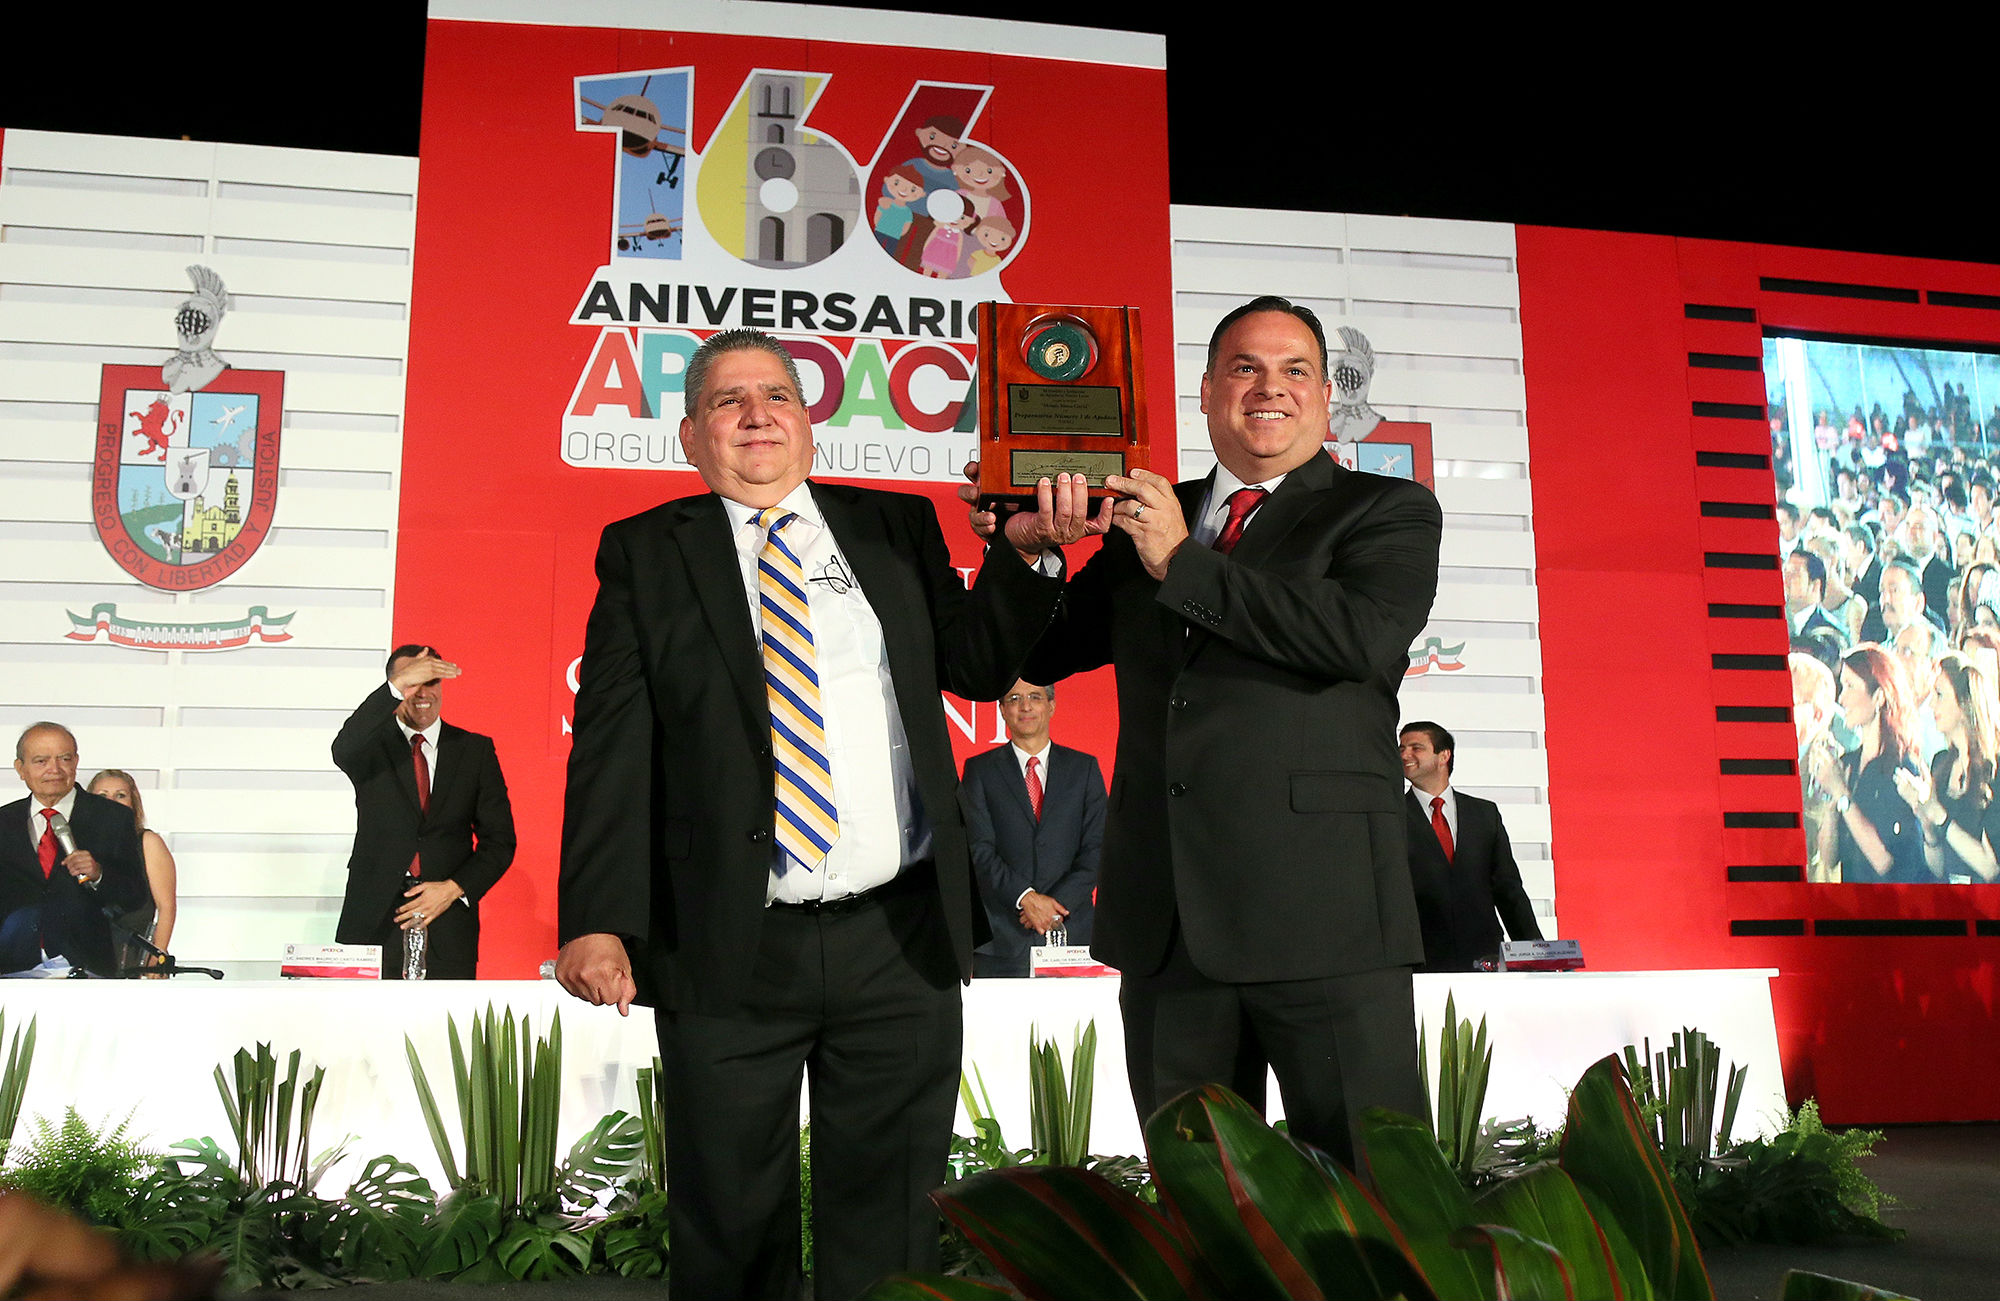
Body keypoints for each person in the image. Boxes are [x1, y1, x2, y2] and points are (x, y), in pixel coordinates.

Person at [554, 328, 1065, 1301]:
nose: (755, 413)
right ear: (691, 435)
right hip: (727, 938)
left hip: (897, 933)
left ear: (808, 423)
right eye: (727, 399)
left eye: (776, 394)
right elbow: (613, 748)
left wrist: (1023, 555)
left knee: (890, 1219)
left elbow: (973, 667)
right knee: (729, 1220)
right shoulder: (646, 552)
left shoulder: (892, 527)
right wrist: (594, 914)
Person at [967, 294, 1443, 1169]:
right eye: (1245, 368)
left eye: (1295, 369)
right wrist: (1030, 549)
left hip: (1325, 920)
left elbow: (1353, 637)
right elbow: (1025, 654)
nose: (1270, 388)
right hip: (1169, 923)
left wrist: (1181, 561)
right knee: (1199, 1206)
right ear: (1205, 391)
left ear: (1325, 399)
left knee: (1373, 1202)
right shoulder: (1146, 516)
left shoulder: (1386, 509)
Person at [331, 646, 516, 979]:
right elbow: (342, 747)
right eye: (411, 683)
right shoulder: (369, 748)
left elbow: (500, 842)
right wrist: (395, 685)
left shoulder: (473, 751)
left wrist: (452, 889)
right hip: (373, 922)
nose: (422, 693)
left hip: (446, 925)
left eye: (431, 681)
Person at [961, 679, 1104, 977]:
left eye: (1035, 697)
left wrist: (1055, 906)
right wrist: (1026, 898)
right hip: (1002, 938)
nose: (1025, 706)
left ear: (1051, 706)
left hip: (1073, 933)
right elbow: (978, 849)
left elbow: (1099, 848)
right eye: (1014, 698)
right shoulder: (979, 770)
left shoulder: (1084, 768)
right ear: (1001, 710)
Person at [0, 723, 149, 975]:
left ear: (76, 761)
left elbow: (134, 896)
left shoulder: (112, 818)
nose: (54, 769)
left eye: (64, 758)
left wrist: (99, 873)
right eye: (41, 761)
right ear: (20, 769)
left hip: (86, 965)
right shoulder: (4, 822)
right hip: (12, 967)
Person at [1398, 722, 1541, 971]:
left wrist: (1535, 954)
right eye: (1401, 748)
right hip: (1417, 959)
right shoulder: (1392, 814)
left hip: (1483, 958)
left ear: (1444, 755)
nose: (1404, 755)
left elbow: (1508, 888)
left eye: (1416, 748)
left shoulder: (1484, 813)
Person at [1811, 646, 1932, 883]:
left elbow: (1883, 861)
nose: (1841, 698)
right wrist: (1831, 808)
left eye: (1850, 686)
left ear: (1878, 696)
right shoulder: (1848, 764)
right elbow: (1829, 858)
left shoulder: (1901, 767)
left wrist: (1843, 795)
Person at [1897, 652, 2000, 883]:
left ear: (1965, 704)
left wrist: (1939, 816)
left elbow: (1990, 867)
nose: (1932, 703)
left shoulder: (1995, 769)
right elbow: (1938, 868)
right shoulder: (1941, 763)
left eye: (1940, 694)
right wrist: (1927, 823)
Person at [85, 769, 176, 974]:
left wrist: (158, 955)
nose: (112, 801)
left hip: (133, 959)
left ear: (132, 802)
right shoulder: (79, 845)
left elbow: (167, 905)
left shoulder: (148, 843)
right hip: (86, 958)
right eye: (103, 796)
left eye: (120, 795)